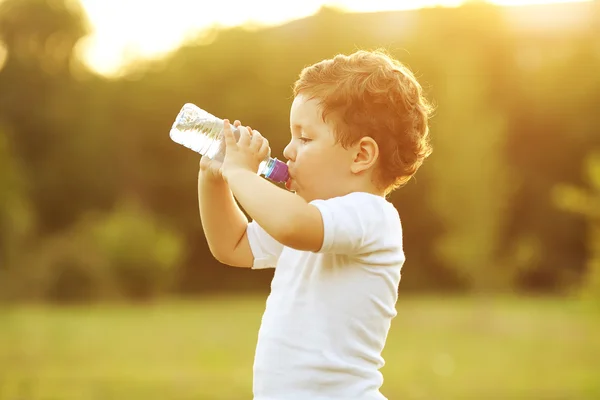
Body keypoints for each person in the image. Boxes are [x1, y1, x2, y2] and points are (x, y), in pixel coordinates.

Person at [198, 49, 433, 400]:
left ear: (361, 156)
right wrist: (214, 179)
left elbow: (290, 224)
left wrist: (239, 171)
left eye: (305, 138)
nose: (288, 151)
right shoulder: (310, 215)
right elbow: (231, 245)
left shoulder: (371, 217)